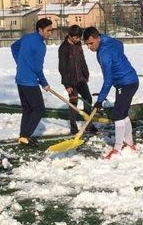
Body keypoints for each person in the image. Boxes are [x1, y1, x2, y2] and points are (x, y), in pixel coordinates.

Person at [83, 26, 139, 160]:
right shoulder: (109, 41)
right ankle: (130, 144)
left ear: (98, 38)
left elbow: (108, 81)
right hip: (132, 80)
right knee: (123, 113)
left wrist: (99, 101)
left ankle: (117, 148)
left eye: (91, 43)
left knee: (118, 115)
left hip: (125, 83)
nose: (90, 47)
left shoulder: (104, 54)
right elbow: (120, 44)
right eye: (87, 44)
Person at [11, 18, 53, 146]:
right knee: (39, 109)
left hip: (20, 79)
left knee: (28, 109)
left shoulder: (27, 37)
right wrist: (44, 83)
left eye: (51, 30)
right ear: (40, 30)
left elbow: (14, 47)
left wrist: (20, 62)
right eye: (48, 30)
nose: (50, 33)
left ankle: (23, 136)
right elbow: (38, 68)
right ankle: (25, 135)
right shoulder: (40, 46)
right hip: (29, 82)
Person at [58, 25, 93, 135]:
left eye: (79, 37)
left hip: (81, 78)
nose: (78, 39)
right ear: (69, 36)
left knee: (88, 99)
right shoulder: (63, 48)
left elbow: (82, 60)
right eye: (76, 37)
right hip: (71, 80)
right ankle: (73, 127)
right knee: (73, 102)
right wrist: (67, 84)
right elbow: (62, 67)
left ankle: (88, 125)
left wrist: (86, 73)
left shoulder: (78, 45)